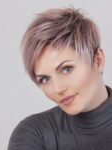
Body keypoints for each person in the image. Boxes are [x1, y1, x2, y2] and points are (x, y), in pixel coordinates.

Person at [8, 7, 112, 150]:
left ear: (98, 61)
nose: (58, 89)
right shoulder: (34, 133)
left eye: (67, 69)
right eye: (45, 79)